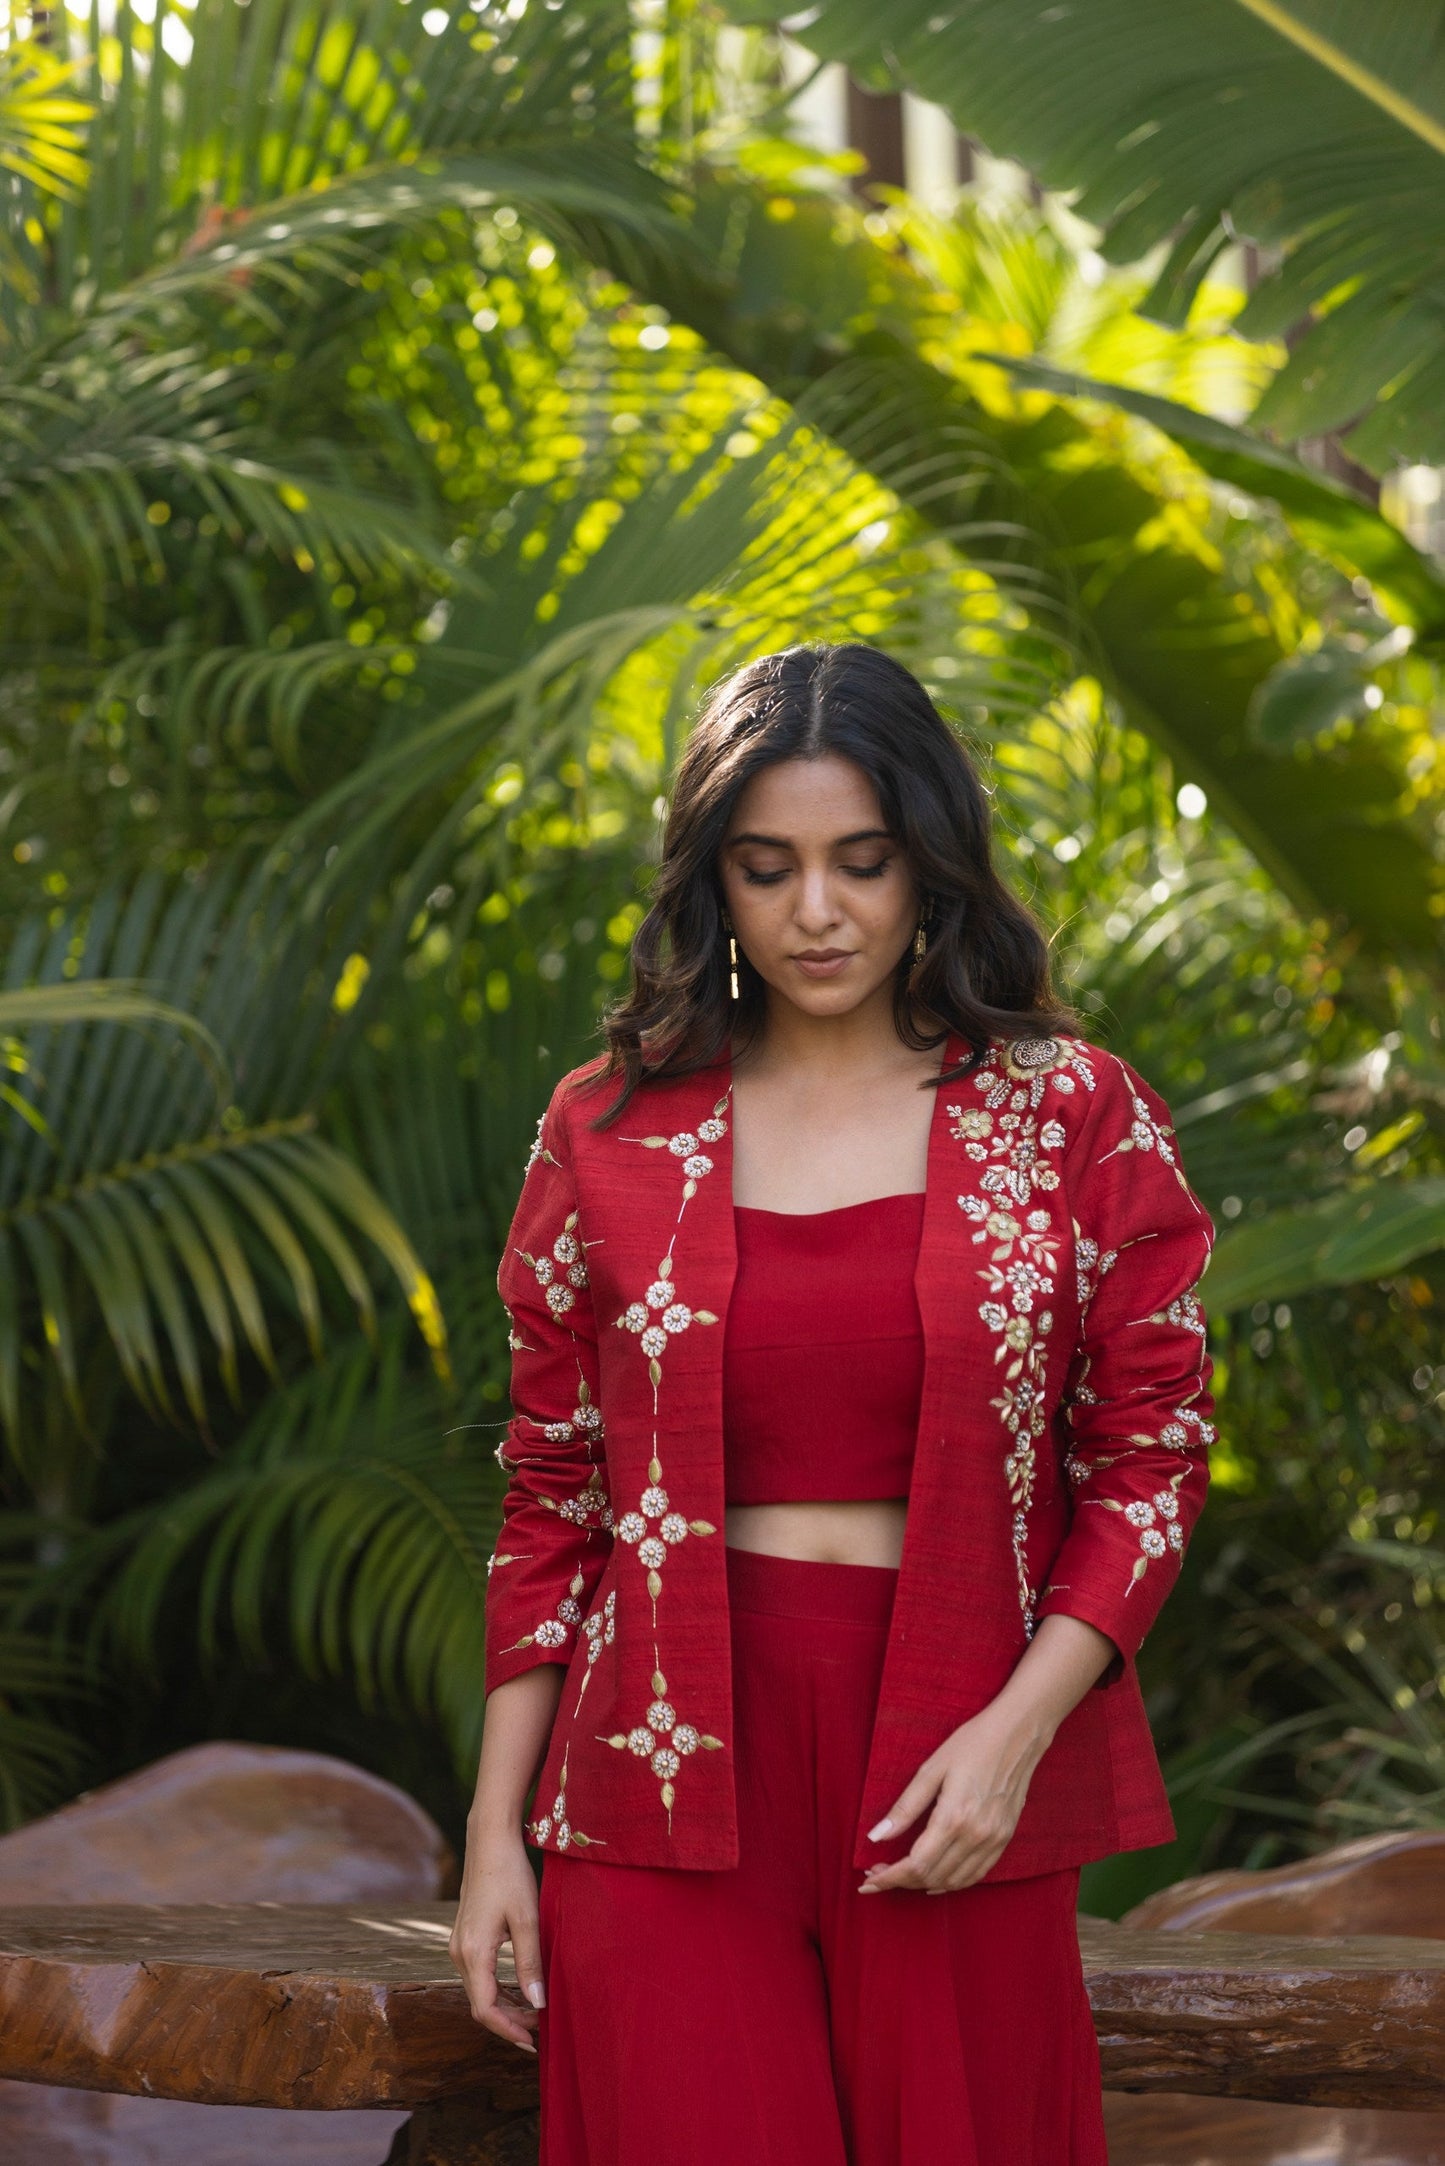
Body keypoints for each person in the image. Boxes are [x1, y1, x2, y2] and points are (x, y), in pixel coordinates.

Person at [450, 642, 1216, 2165]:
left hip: (952, 1760)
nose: (816, 911)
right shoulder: (607, 1123)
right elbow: (552, 1491)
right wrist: (491, 1838)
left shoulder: (1069, 1111)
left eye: (860, 862)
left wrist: (1013, 1736)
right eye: (767, 866)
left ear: (927, 861)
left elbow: (1150, 1458)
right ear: (712, 885)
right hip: (657, 1768)